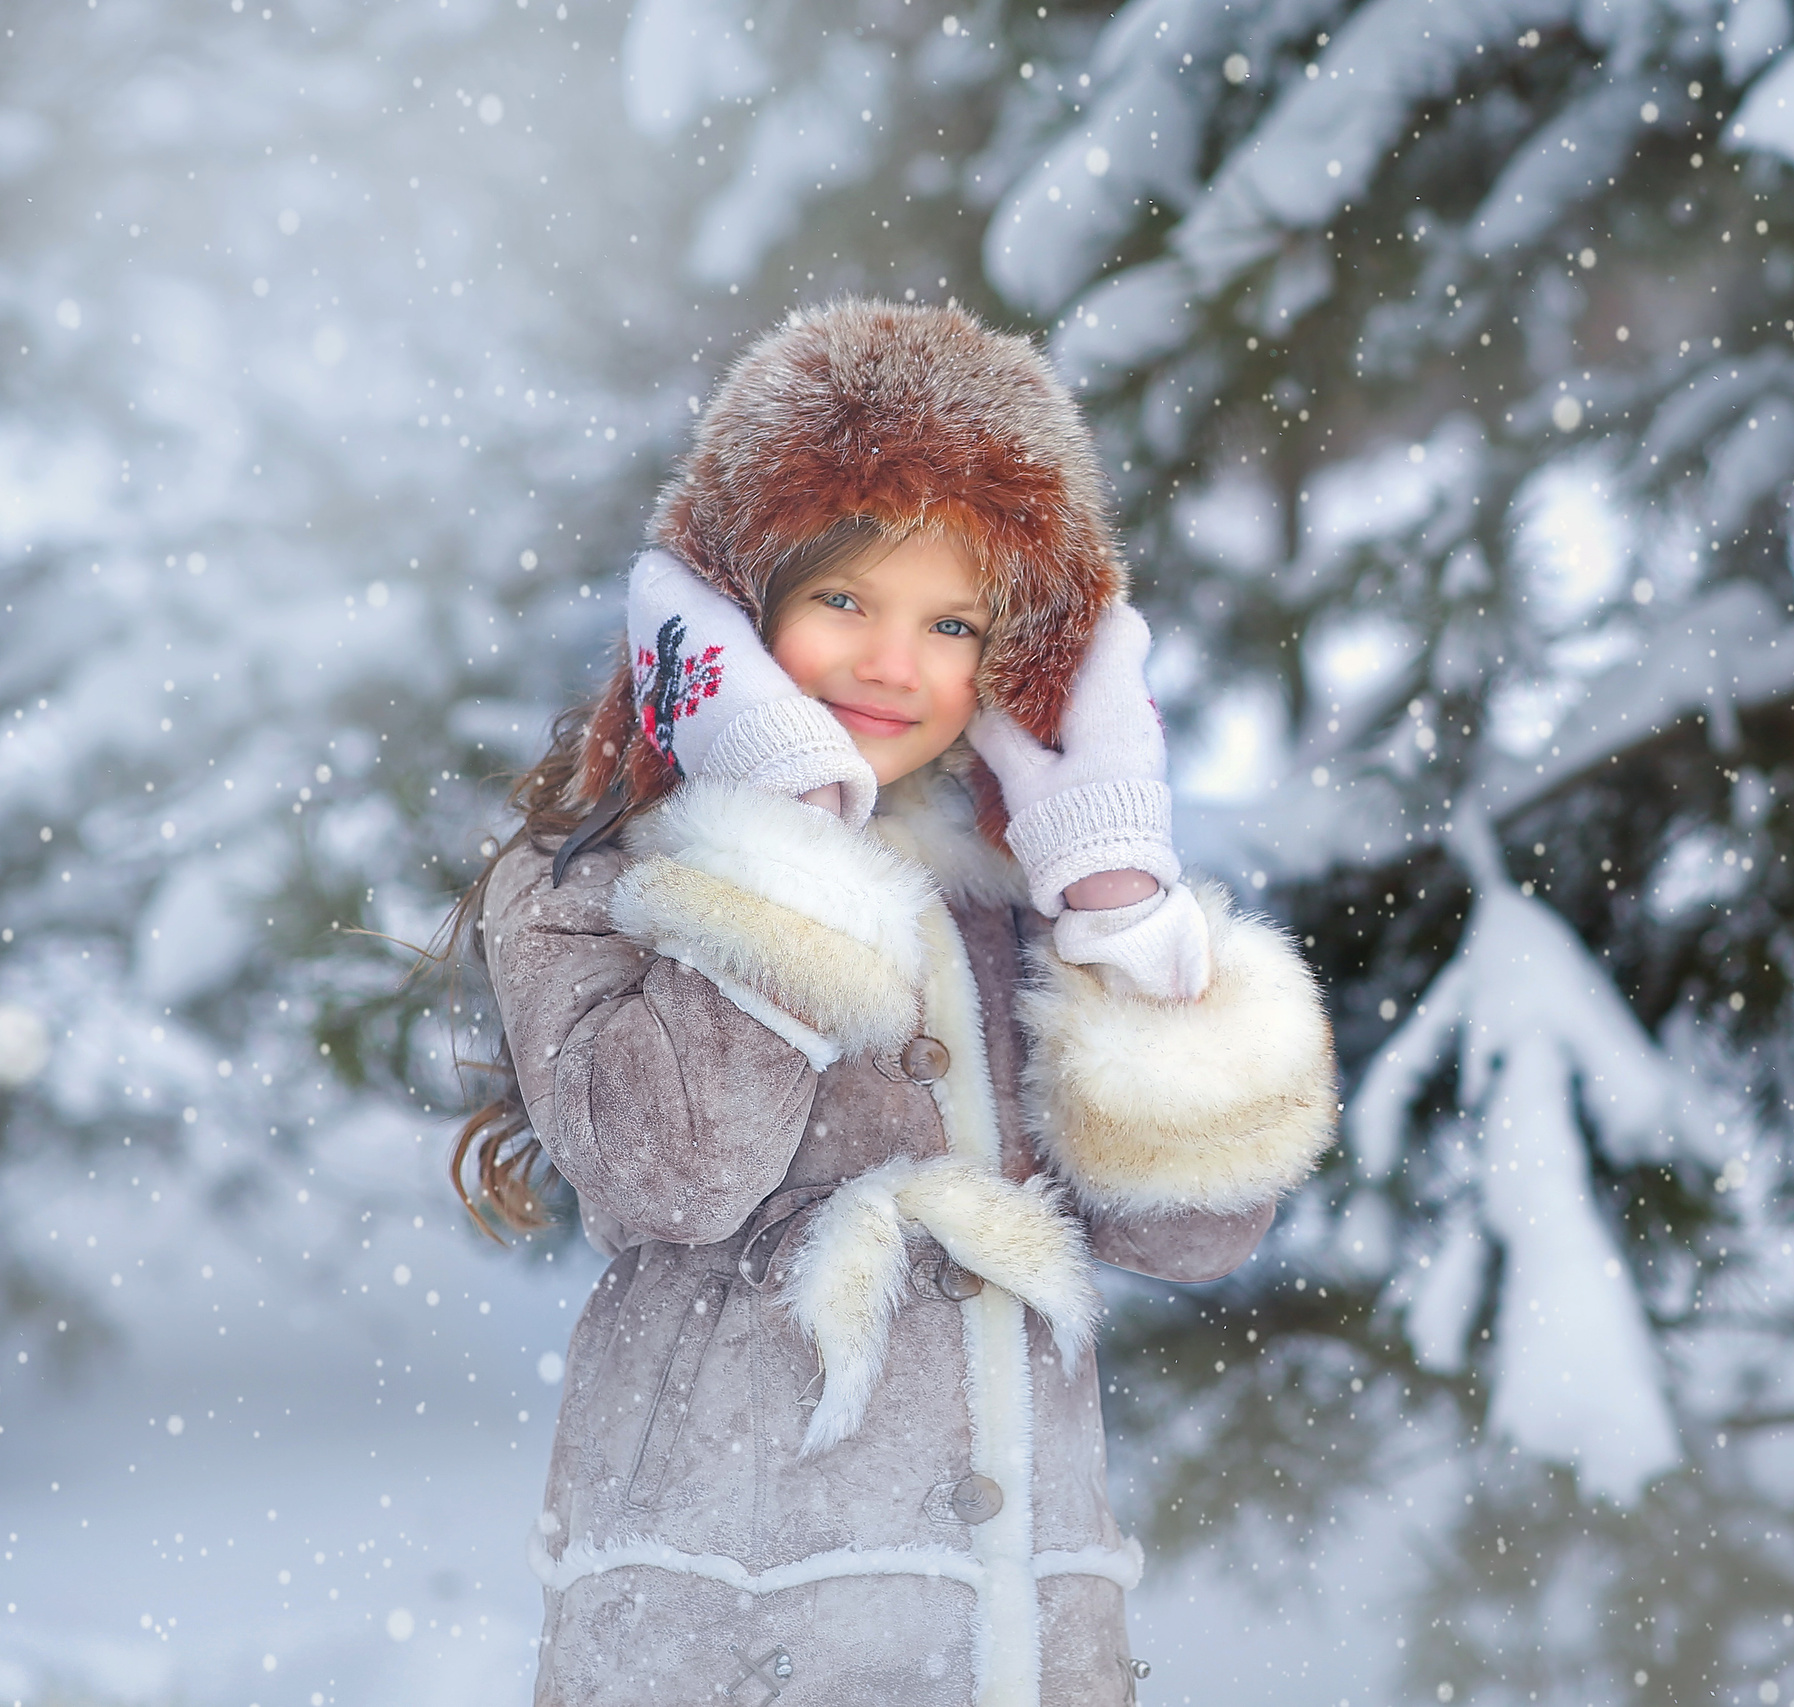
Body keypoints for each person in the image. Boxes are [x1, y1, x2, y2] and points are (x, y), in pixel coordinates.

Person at [447, 299, 1337, 1705]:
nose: (890, 661)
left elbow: (1195, 1226)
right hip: (726, 1641)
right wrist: (789, 837)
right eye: (844, 599)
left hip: (1016, 1652)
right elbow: (675, 1171)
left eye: (953, 623)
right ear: (733, 612)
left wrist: (1109, 895)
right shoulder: (591, 888)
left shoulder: (1010, 902)